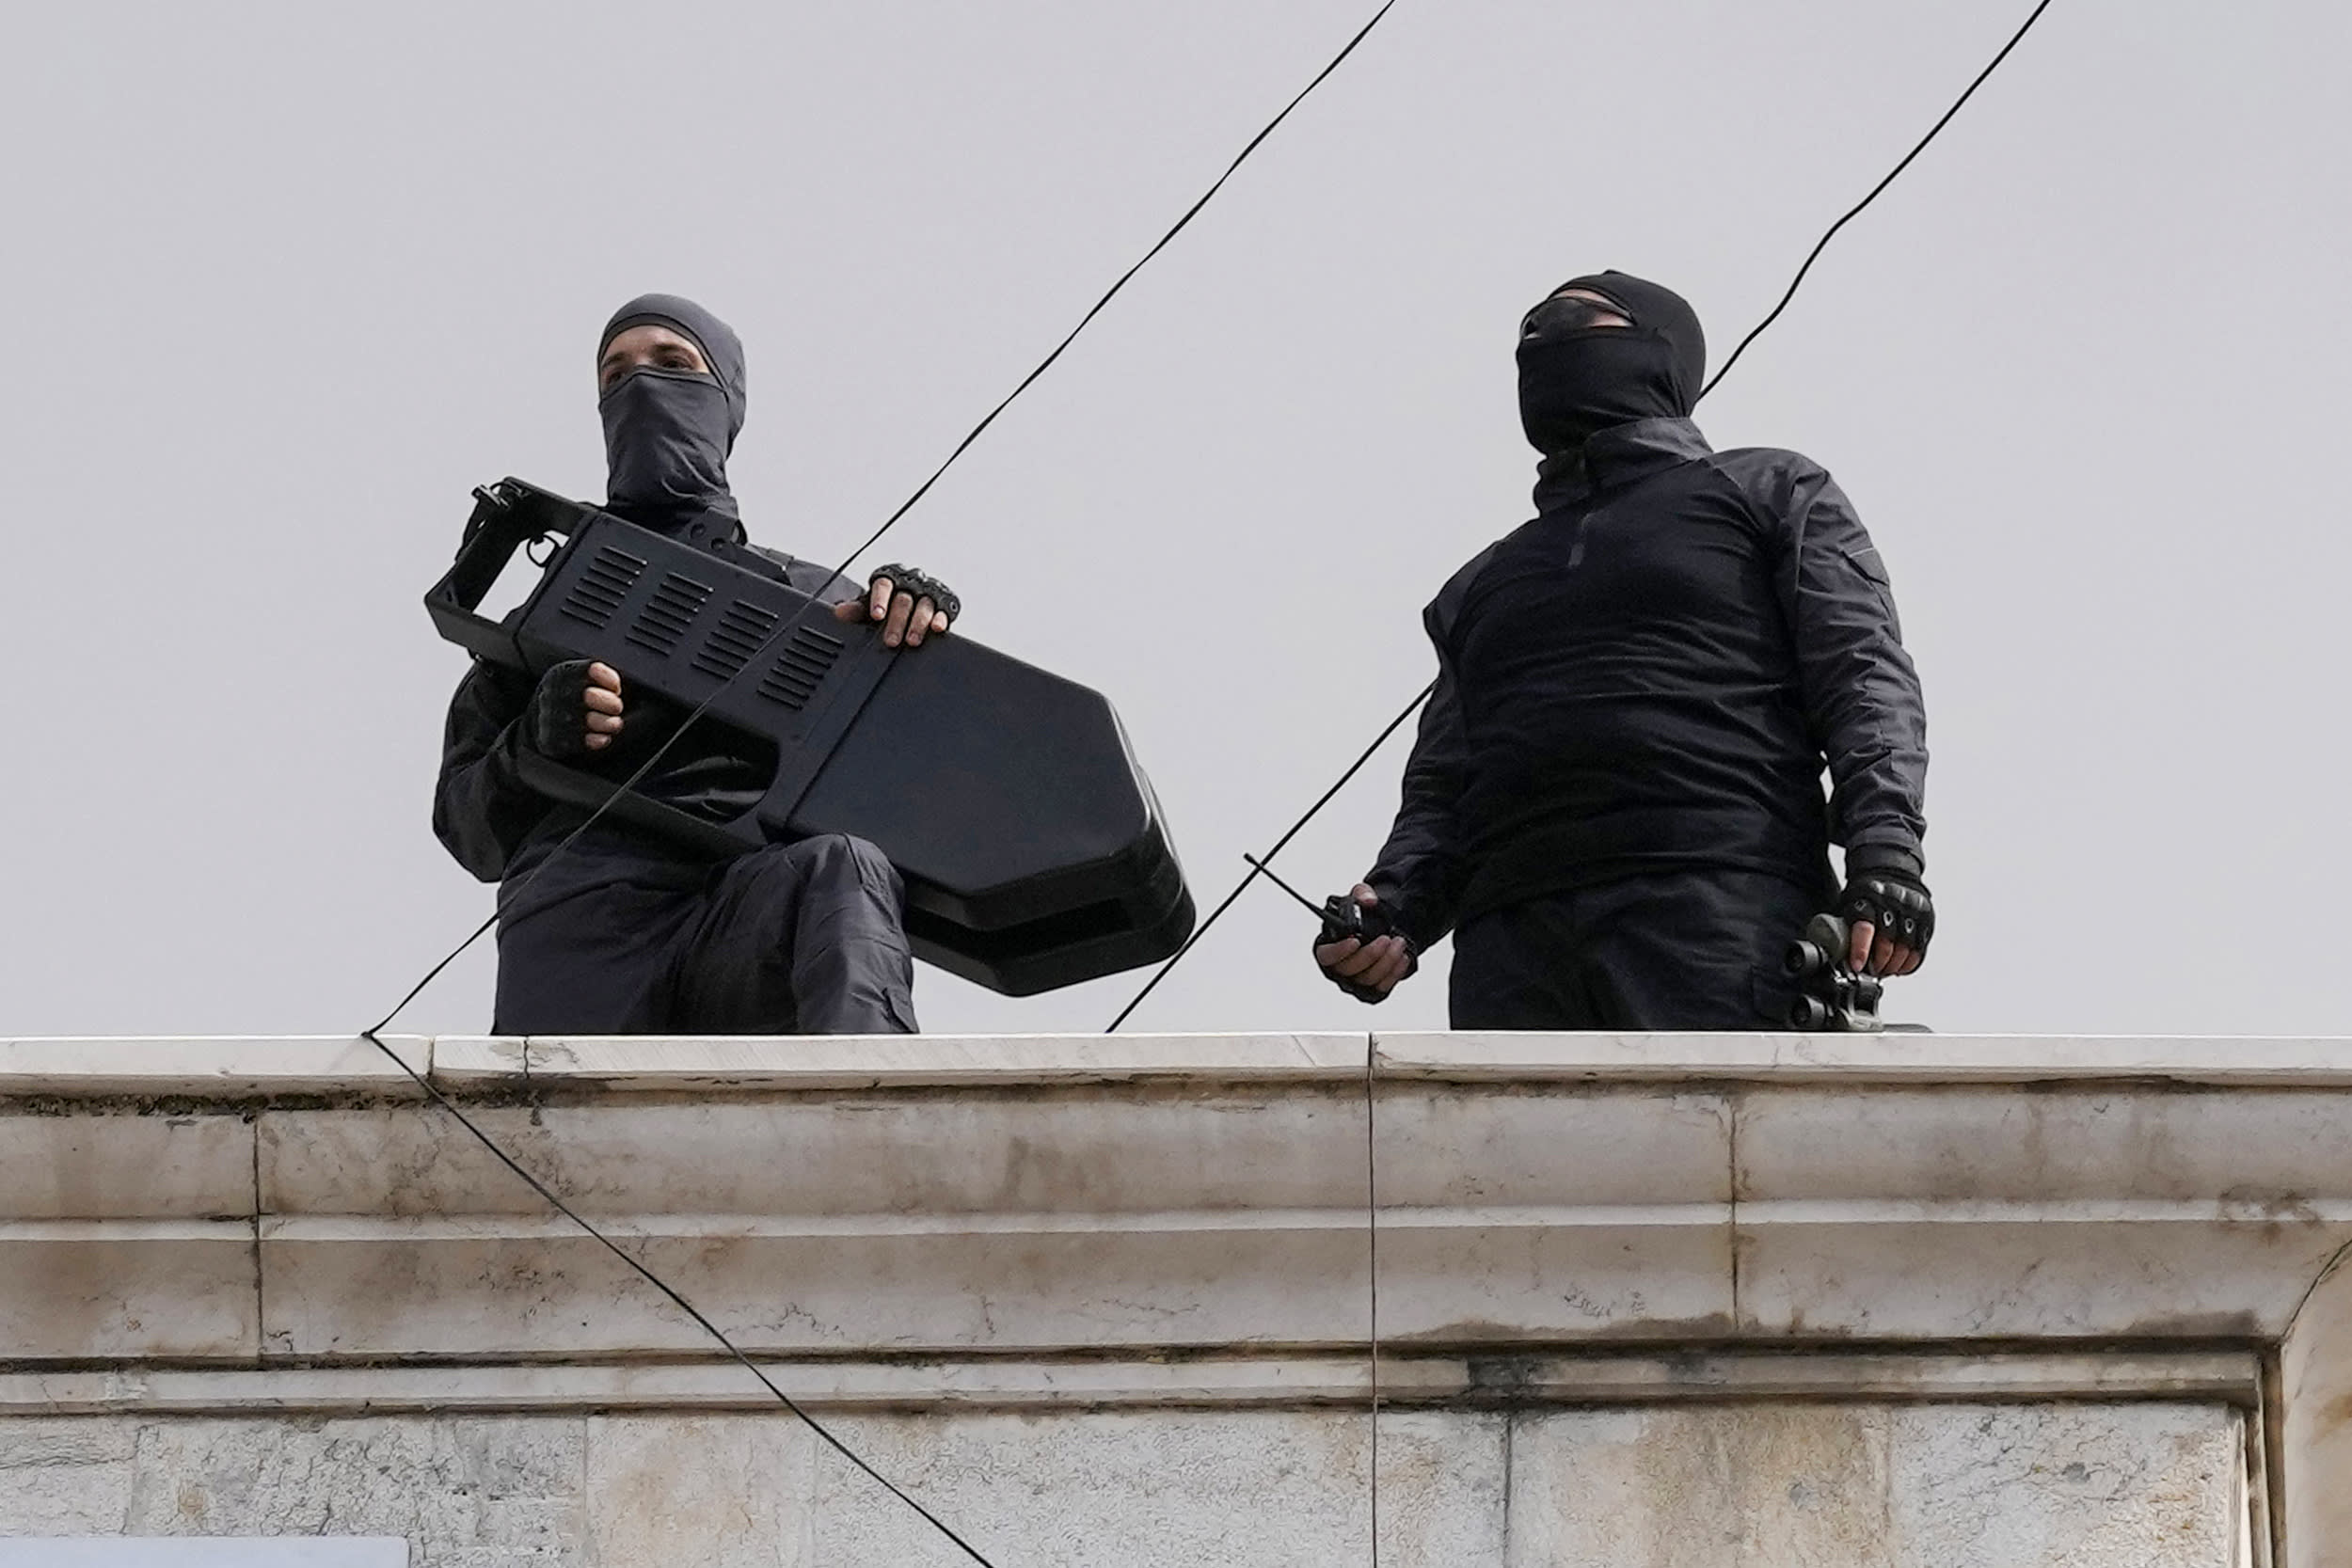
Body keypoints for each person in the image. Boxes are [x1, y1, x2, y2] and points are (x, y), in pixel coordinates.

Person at [1314, 271, 1931, 1029]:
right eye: (1531, 327)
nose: (1540, 338)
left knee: (1720, 1145)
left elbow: (1863, 675)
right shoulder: (1481, 584)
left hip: (1717, 913)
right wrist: (1396, 908)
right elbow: (1444, 787)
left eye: (1574, 318)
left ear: (1660, 350)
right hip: (1511, 955)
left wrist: (1887, 850)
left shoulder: (1766, 488)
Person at [434, 293, 961, 1035]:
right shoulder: (547, 612)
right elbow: (465, 826)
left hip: (751, 909)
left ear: (725, 399)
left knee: (847, 868)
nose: (639, 384)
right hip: (583, 922)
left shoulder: (822, 601)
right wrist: (529, 749)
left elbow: (925, 789)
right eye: (615, 374)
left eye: (672, 363)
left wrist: (917, 644)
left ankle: (871, 1118)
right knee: (563, 1142)